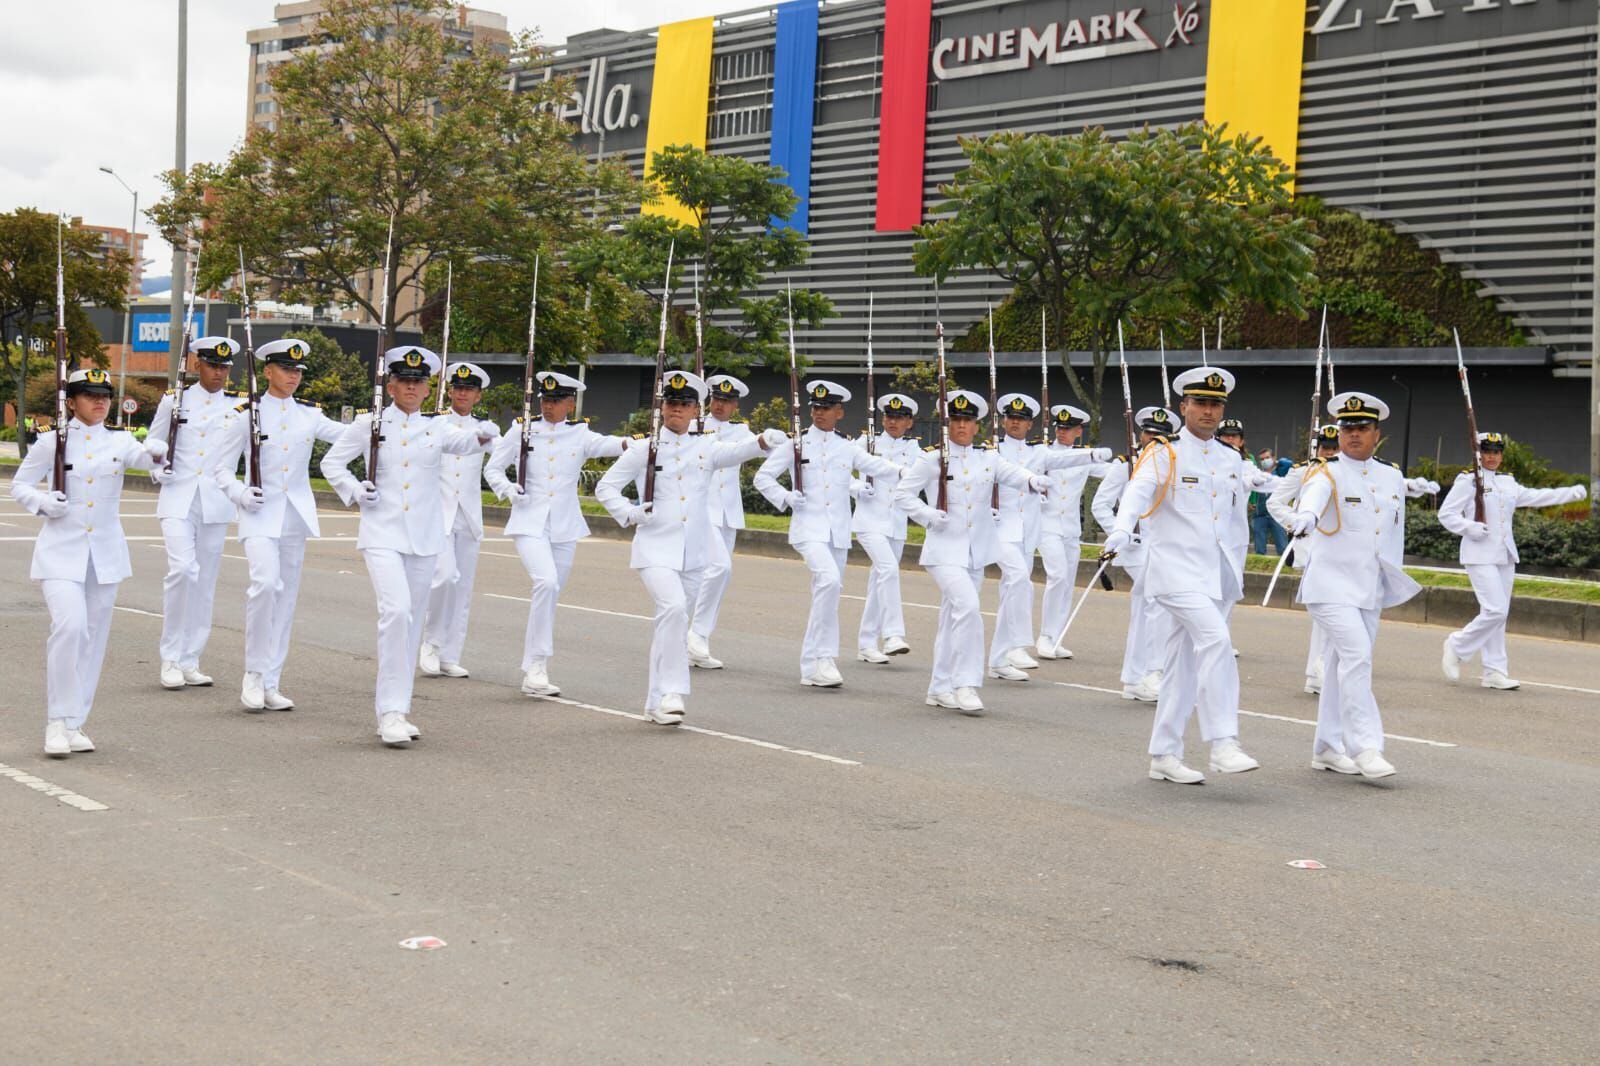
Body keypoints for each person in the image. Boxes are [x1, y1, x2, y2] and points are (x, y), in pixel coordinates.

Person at [321, 345, 496, 747]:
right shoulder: (370, 425)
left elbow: (467, 443)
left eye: (419, 382)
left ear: (426, 386)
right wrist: (354, 489)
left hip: (424, 537)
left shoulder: (436, 428)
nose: (412, 388)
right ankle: (388, 712)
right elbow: (333, 463)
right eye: (405, 380)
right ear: (391, 384)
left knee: (412, 621)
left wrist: (486, 435)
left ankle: (399, 709)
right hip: (382, 533)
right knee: (396, 612)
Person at [595, 371, 785, 724]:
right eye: (671, 403)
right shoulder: (644, 447)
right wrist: (631, 513)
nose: (676, 410)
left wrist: (761, 441)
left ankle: (654, 702)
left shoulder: (706, 445)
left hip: (694, 552)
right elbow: (605, 488)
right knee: (673, 608)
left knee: (671, 621)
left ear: (696, 410)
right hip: (655, 547)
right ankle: (672, 692)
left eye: (683, 404)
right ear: (662, 406)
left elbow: (735, 451)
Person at [1103, 367, 1260, 784]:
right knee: (1216, 640)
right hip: (1173, 571)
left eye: (1215, 404)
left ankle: (1164, 754)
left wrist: (1236, 569)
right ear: (1183, 407)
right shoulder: (1164, 451)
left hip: (1212, 573)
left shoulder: (1230, 458)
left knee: (1181, 665)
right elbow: (1137, 492)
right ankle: (1223, 741)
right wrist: (1121, 530)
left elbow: (1231, 521)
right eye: (1200, 403)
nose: (1208, 411)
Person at [11, 368, 166, 755]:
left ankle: (76, 722)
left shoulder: (120, 439)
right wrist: (43, 503)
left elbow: (151, 465)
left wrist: (159, 454)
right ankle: (56, 721)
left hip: (105, 555)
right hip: (61, 552)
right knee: (71, 628)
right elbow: (20, 485)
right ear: (71, 401)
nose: (99, 401)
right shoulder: (52, 443)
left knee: (93, 639)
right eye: (89, 394)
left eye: (105, 395)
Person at [1287, 392, 1434, 779]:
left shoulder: (1390, 475)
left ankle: (1327, 748)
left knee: (1341, 663)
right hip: (1330, 587)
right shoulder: (1327, 472)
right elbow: (1314, 499)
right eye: (1347, 428)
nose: (1353, 435)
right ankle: (1366, 746)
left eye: (1361, 428)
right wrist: (1304, 516)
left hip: (1369, 588)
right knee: (1357, 658)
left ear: (1376, 434)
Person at [894, 390, 1056, 715]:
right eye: (956, 420)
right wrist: (927, 515)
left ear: (977, 426)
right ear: (947, 422)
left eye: (968, 421)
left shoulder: (988, 458)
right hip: (943, 550)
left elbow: (1013, 474)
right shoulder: (932, 458)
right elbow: (902, 494)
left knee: (950, 619)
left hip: (976, 552)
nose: (962, 426)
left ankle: (939, 687)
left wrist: (1035, 481)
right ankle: (965, 683)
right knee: (968, 609)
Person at [213, 337, 347, 712]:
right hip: (258, 514)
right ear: (267, 371)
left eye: (298, 371)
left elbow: (347, 436)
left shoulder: (309, 414)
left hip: (294, 516)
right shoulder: (245, 414)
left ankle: (271, 680)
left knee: (285, 599)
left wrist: (379, 421)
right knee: (265, 584)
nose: (293, 376)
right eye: (286, 369)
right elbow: (221, 468)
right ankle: (253, 675)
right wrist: (239, 494)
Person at [483, 371, 625, 698]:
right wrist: (508, 489)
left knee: (552, 593)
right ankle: (534, 667)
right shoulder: (522, 429)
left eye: (556, 401)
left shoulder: (580, 434)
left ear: (570, 403)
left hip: (564, 525)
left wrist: (639, 442)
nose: (548, 406)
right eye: (545, 400)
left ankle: (537, 666)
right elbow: (493, 468)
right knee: (545, 582)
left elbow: (613, 445)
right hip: (529, 520)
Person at [754, 379, 903, 688]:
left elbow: (877, 466)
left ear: (839, 412)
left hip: (837, 532)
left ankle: (817, 663)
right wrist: (784, 497)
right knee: (829, 581)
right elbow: (763, 477)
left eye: (825, 408)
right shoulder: (796, 443)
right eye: (815, 408)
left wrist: (910, 472)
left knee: (830, 593)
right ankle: (817, 659)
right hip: (808, 529)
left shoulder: (846, 447)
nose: (819, 413)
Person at [1439, 432, 1587, 689]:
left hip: (1504, 554)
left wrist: (1571, 494)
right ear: (1478, 453)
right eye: (1487, 452)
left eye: (1497, 452)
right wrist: (1470, 527)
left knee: (1499, 614)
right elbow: (1447, 514)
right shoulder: (1468, 481)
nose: (1493, 457)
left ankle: (1494, 671)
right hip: (1479, 554)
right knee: (1495, 610)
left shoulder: (1508, 483)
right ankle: (1457, 644)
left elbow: (1536, 497)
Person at [987, 393, 1109, 681]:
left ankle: (1003, 656)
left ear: (1029, 424)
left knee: (1017, 586)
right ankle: (1018, 644)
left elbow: (1067, 460)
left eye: (1021, 419)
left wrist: (1097, 455)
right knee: (1022, 581)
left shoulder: (1037, 453)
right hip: (1008, 527)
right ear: (1004, 420)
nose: (1015, 423)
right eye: (1011, 418)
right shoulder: (991, 450)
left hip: (1029, 530)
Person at [147, 335, 241, 690]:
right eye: (213, 365)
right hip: (177, 497)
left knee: (204, 584)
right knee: (183, 571)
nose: (219, 373)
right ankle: (170, 656)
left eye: (224, 367)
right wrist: (158, 470)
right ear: (197, 364)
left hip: (215, 502)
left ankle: (191, 659)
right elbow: (153, 447)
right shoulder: (174, 400)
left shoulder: (240, 406)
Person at [419, 362, 500, 681]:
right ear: (449, 391)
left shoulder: (486, 428)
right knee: (445, 577)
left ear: (478, 396)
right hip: (438, 512)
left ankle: (450, 655)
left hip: (468, 515)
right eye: (457, 388)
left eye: (469, 390)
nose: (462, 393)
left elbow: (505, 456)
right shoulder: (434, 424)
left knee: (463, 588)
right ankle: (431, 643)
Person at [1090, 406, 1177, 702]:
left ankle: (1134, 678)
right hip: (1135, 548)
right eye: (1148, 433)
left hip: (1162, 547)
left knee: (1144, 607)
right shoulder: (1125, 466)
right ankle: (1153, 670)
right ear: (1140, 435)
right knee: (1155, 601)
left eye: (1159, 436)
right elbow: (1100, 504)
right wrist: (1120, 532)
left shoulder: (1171, 465)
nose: (1152, 439)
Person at [1266, 424, 1343, 694]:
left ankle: (1316, 672)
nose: (1330, 452)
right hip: (1312, 549)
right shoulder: (1303, 471)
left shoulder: (1349, 474)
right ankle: (1319, 670)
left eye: (1335, 448)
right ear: (1317, 447)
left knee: (1329, 612)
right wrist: (1295, 522)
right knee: (1327, 610)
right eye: (1326, 447)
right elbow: (1274, 503)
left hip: (1338, 550)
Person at [688, 373, 756, 670]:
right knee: (715, 569)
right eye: (716, 399)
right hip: (701, 510)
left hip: (728, 512)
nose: (719, 406)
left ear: (735, 405)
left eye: (726, 401)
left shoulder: (742, 432)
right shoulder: (692, 426)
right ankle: (696, 635)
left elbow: (752, 448)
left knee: (719, 577)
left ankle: (696, 640)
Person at [1034, 404, 1111, 660]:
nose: (1062, 433)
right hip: (1046, 525)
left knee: (1067, 583)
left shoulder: (1083, 457)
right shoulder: (1042, 453)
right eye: (1059, 428)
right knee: (1057, 575)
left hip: (1070, 528)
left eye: (1068, 429)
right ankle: (1044, 636)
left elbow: (1112, 473)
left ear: (1079, 431)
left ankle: (1056, 637)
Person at [851, 393, 922, 663]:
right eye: (889, 416)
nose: (893, 421)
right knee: (888, 570)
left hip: (897, 523)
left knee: (879, 580)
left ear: (909, 422)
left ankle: (866, 643)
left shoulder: (915, 451)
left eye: (900, 417)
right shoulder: (864, 443)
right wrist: (856, 487)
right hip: (869, 520)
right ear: (882, 418)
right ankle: (893, 634)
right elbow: (837, 470)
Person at [1251, 447, 1290, 556]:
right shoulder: (1258, 474)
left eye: (1267, 458)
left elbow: (1289, 464)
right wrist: (1251, 501)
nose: (1264, 461)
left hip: (1277, 515)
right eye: (1262, 459)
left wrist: (1277, 462)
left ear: (1273, 458)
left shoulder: (1280, 472)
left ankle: (1283, 567)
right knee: (1259, 550)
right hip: (1260, 515)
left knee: (1282, 547)